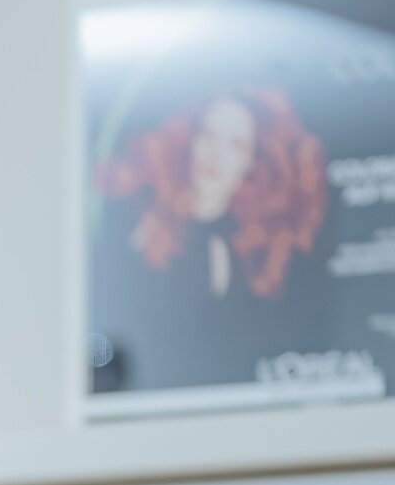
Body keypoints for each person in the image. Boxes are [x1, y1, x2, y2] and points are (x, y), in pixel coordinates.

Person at [91, 84, 330, 388]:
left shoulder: (260, 248)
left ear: (252, 161)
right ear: (188, 142)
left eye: (236, 145)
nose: (217, 155)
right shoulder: (139, 232)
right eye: (208, 136)